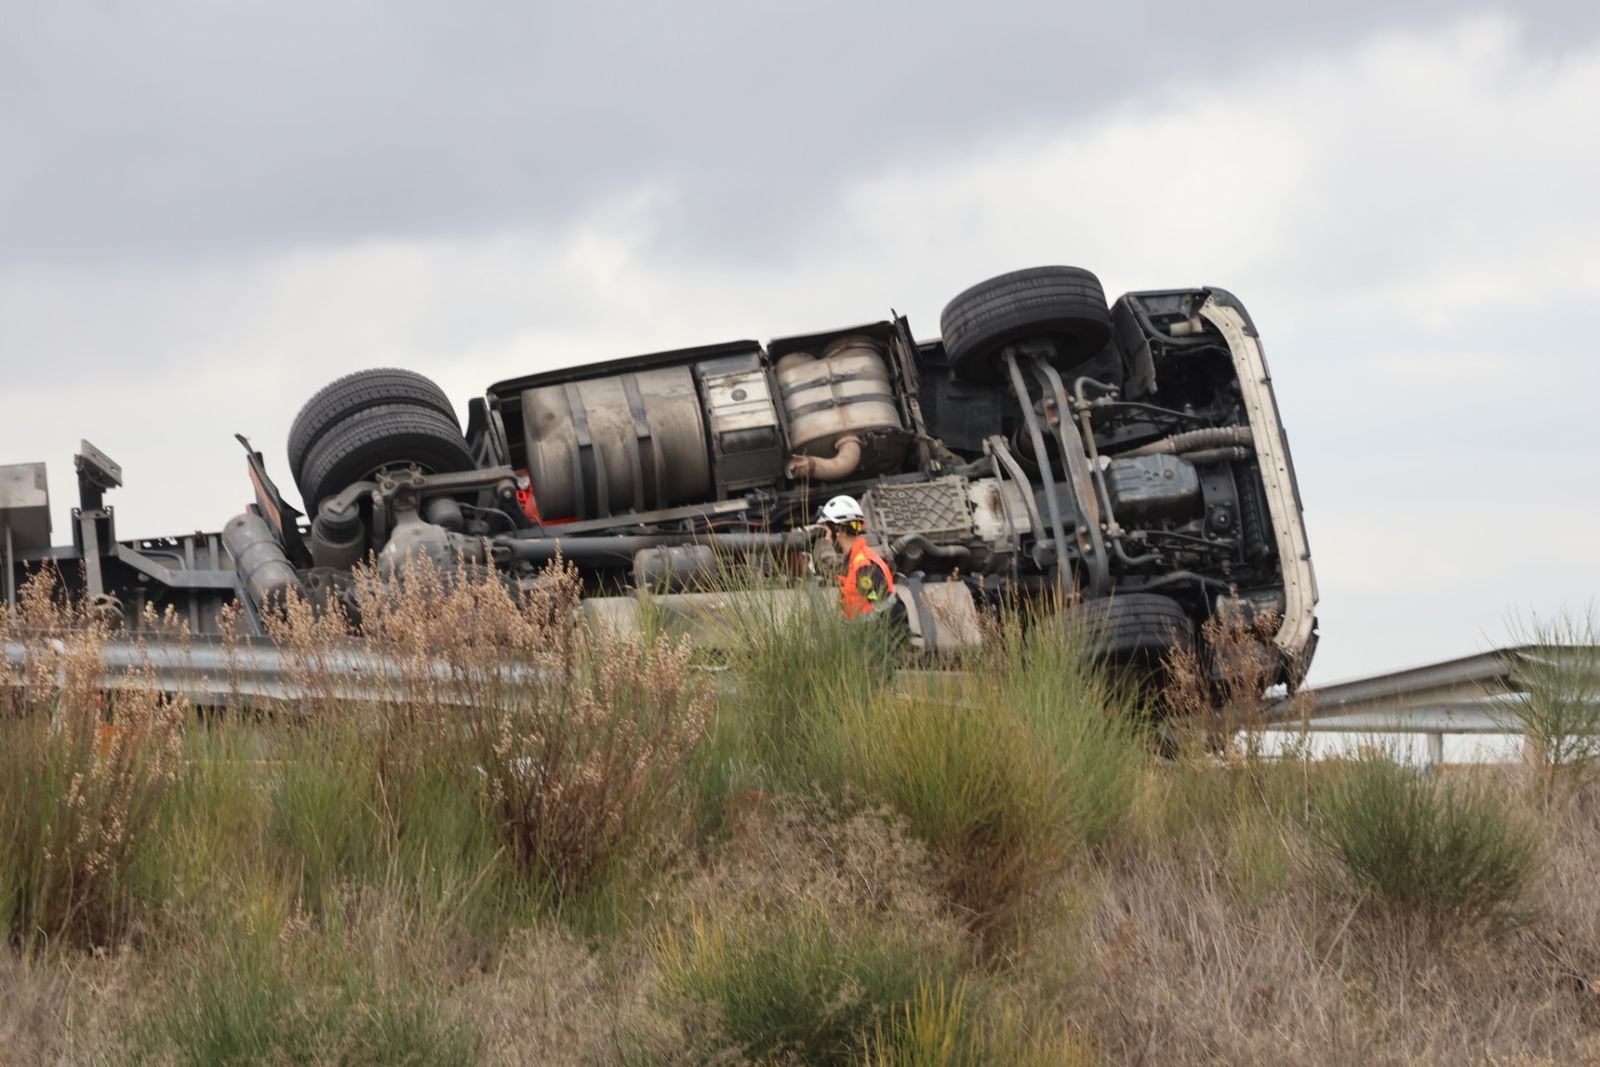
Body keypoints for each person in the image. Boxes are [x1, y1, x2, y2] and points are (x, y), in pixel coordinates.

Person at [817, 495, 895, 620]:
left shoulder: (863, 566)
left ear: (838, 529)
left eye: (827, 531)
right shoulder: (855, 559)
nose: (826, 538)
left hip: (876, 635)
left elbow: (881, 603)